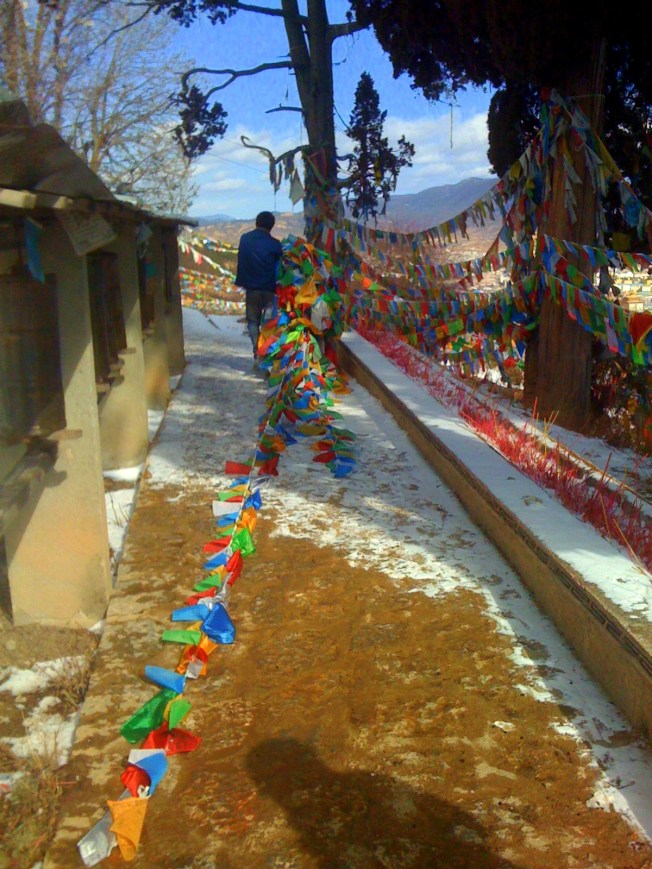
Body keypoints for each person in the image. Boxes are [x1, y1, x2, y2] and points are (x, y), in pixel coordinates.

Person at [235, 211, 282, 364]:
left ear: (257, 222)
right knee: (269, 323)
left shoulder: (245, 239)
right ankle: (267, 352)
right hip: (269, 290)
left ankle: (257, 349)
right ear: (271, 226)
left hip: (252, 289)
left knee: (253, 321)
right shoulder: (275, 245)